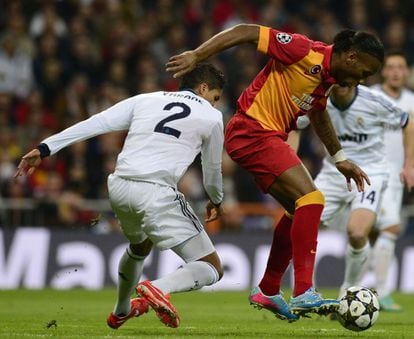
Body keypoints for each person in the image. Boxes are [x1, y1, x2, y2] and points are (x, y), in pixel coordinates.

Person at [166, 24, 384, 321]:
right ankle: (304, 290)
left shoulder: (326, 80)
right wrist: (198, 54)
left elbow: (318, 113)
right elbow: (246, 31)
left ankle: (268, 289)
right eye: (364, 72)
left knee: (299, 210)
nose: (360, 81)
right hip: (252, 131)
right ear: (351, 57)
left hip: (265, 138)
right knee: (313, 199)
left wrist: (339, 157)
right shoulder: (303, 50)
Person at [14, 63, 226, 329]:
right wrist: (217, 199)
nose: (215, 105)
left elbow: (97, 122)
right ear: (203, 88)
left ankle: (121, 310)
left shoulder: (147, 99)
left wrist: (45, 148)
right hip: (156, 192)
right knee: (211, 267)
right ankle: (158, 287)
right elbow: (212, 170)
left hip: (120, 187)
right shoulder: (211, 116)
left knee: (140, 247)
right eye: (215, 98)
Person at [297, 85, 414, 308]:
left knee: (358, 232)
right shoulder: (320, 99)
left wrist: (409, 164)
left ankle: (348, 291)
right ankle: (306, 292)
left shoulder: (374, 100)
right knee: (301, 226)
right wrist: (291, 157)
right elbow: (294, 124)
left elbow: (407, 122)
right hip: (333, 174)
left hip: (370, 174)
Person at [369, 50, 414, 311]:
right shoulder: (371, 96)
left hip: (396, 177)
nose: (396, 71)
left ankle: (377, 291)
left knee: (384, 231)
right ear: (383, 71)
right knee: (386, 229)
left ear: (406, 72)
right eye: (391, 67)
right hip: (370, 174)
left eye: (400, 67)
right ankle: (378, 291)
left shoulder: (411, 101)